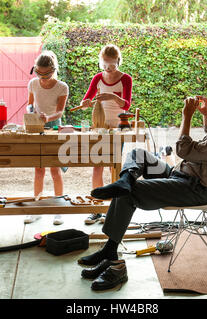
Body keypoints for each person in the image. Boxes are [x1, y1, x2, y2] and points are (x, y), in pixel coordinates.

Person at [78, 85, 207, 273]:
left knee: (130, 193)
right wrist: (206, 113)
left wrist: (187, 116)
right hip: (181, 176)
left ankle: (110, 251)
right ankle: (125, 179)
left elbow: (184, 150)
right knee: (138, 154)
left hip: (194, 189)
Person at [79, 44, 133, 225]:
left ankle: (114, 209)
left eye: (112, 65)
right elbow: (87, 98)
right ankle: (97, 207)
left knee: (114, 167)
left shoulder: (125, 79)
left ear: (118, 61)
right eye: (105, 65)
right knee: (97, 166)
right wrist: (85, 102)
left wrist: (111, 97)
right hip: (100, 125)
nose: (108, 69)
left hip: (117, 126)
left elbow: (126, 105)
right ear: (101, 61)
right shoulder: (97, 78)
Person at [24, 51, 69, 225]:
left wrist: (47, 118)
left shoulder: (62, 87)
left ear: (53, 70)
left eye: (46, 74)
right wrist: (31, 113)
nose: (42, 78)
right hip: (37, 127)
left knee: (55, 170)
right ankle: (37, 208)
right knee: (38, 169)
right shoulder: (33, 84)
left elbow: (60, 111)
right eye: (39, 74)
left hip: (54, 127)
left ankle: (58, 210)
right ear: (35, 70)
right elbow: (30, 103)